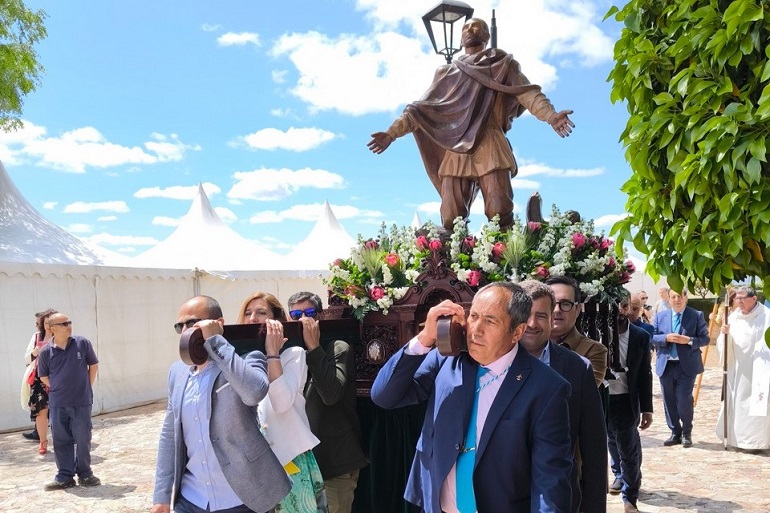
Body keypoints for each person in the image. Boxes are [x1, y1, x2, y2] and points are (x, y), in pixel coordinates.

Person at [371, 281, 573, 512]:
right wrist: (426, 337)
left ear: (517, 332)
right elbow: (384, 396)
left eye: (490, 321)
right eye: (474, 316)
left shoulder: (546, 388)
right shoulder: (446, 359)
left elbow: (550, 480)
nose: (476, 329)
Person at [367, 17, 574, 231]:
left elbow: (527, 93)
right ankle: (450, 260)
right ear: (460, 37)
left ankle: (506, 257)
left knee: (499, 212)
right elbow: (420, 110)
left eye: (476, 26)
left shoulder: (503, 65)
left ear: (486, 35)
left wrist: (551, 116)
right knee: (451, 218)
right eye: (466, 27)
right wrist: (391, 133)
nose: (470, 29)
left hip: (490, 142)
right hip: (457, 146)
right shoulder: (446, 72)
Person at [152, 295, 291, 513]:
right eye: (180, 326)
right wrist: (161, 496)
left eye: (192, 323)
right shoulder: (176, 372)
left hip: (242, 498)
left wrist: (216, 341)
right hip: (191, 498)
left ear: (218, 323)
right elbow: (170, 435)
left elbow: (254, 393)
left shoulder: (247, 359)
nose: (186, 330)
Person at [518, 280, 607, 513]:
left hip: (560, 498)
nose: (532, 323)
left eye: (541, 315)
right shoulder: (492, 362)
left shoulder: (578, 368)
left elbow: (594, 447)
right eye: (526, 314)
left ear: (551, 319)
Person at [237, 292, 328, 512]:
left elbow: (281, 403)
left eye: (261, 312)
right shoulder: (241, 360)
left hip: (289, 459)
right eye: (248, 313)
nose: (252, 318)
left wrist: (272, 353)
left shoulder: (293, 354)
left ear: (277, 319)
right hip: (256, 462)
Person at [287, 292, 366, 513]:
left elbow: (330, 395)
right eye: (296, 314)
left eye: (310, 313)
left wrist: (314, 349)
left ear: (320, 316)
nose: (303, 319)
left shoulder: (337, 348)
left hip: (335, 464)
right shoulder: (289, 354)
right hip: (301, 466)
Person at [36, 312, 100, 491]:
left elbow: (93, 365)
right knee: (61, 439)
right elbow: (43, 376)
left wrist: (86, 385)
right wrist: (58, 387)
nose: (69, 326)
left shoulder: (82, 343)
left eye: (69, 322)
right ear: (52, 328)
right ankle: (65, 476)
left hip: (81, 400)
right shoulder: (46, 352)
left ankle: (85, 474)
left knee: (83, 438)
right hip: (58, 402)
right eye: (64, 323)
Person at [607, 295, 653, 513]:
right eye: (614, 306)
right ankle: (619, 475)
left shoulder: (640, 337)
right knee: (611, 442)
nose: (619, 310)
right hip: (603, 399)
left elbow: (645, 374)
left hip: (626, 400)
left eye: (624, 306)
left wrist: (647, 409)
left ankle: (630, 497)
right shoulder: (597, 333)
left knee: (628, 450)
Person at [651, 289, 709, 448]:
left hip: (686, 366)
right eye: (673, 297)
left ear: (686, 298)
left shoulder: (696, 315)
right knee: (668, 400)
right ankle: (675, 432)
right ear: (668, 299)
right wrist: (665, 338)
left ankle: (686, 432)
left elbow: (705, 338)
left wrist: (689, 340)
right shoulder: (660, 316)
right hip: (666, 364)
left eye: (679, 296)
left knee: (684, 399)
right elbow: (651, 336)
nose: (677, 300)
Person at [715, 286, 770, 452]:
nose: (738, 302)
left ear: (754, 299)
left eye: (742, 298)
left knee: (760, 403)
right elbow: (722, 344)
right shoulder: (734, 317)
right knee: (738, 403)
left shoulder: (766, 316)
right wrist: (725, 335)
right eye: (736, 298)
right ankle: (739, 439)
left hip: (761, 369)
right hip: (737, 369)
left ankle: (757, 441)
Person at [545, 276, 608, 387]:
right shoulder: (525, 344)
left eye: (565, 304)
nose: (557, 310)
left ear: (578, 310)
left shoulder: (593, 351)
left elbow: (578, 394)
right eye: (551, 303)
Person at [21, 308, 57, 453]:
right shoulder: (36, 337)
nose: (48, 326)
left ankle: (63, 439)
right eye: (46, 323)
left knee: (58, 409)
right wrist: (35, 351)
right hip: (39, 378)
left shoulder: (61, 336)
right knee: (41, 411)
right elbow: (26, 358)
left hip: (58, 377)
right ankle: (43, 442)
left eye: (51, 322)